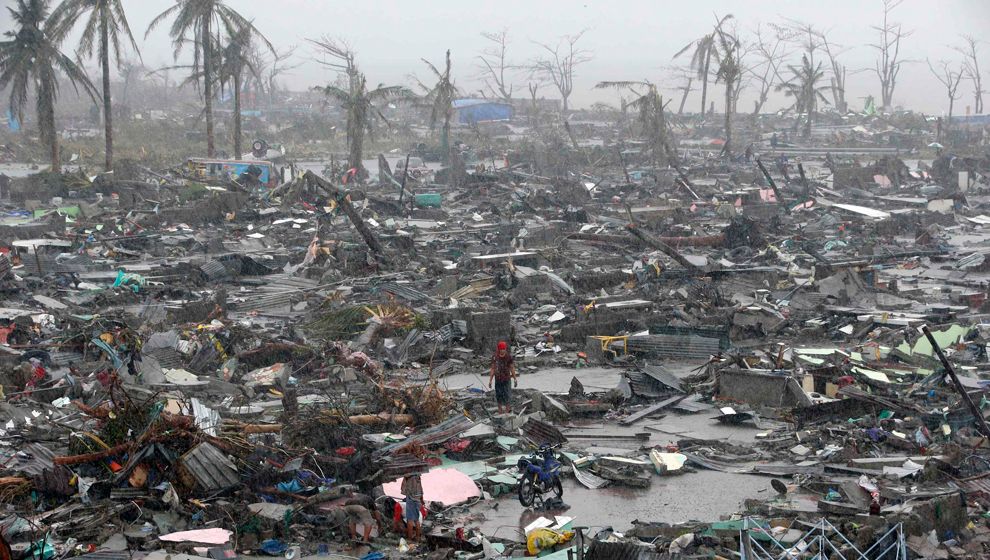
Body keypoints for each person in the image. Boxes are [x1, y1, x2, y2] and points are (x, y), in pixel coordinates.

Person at [488, 341, 517, 414]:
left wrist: (515, 378)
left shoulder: (508, 357)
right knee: (499, 395)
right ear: (499, 349)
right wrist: (490, 380)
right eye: (501, 349)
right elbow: (493, 368)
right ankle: (500, 411)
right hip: (498, 379)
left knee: (507, 395)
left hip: (507, 379)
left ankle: (507, 411)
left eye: (504, 349)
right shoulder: (495, 357)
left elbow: (512, 368)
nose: (502, 350)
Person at [400, 473, 424, 541]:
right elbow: (421, 488)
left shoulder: (407, 476)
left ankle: (409, 538)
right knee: (416, 519)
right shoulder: (418, 476)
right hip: (418, 499)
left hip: (411, 499)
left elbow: (403, 489)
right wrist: (421, 499)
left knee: (410, 520)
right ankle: (418, 537)